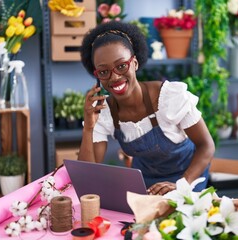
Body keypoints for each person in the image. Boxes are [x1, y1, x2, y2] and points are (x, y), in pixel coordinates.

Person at [78, 21, 215, 195]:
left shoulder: (168, 98)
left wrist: (182, 185)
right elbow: (86, 173)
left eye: (121, 66)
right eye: (104, 71)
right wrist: (88, 128)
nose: (115, 77)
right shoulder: (104, 112)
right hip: (145, 185)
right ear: (96, 75)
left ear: (134, 63)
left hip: (187, 179)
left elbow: (206, 146)